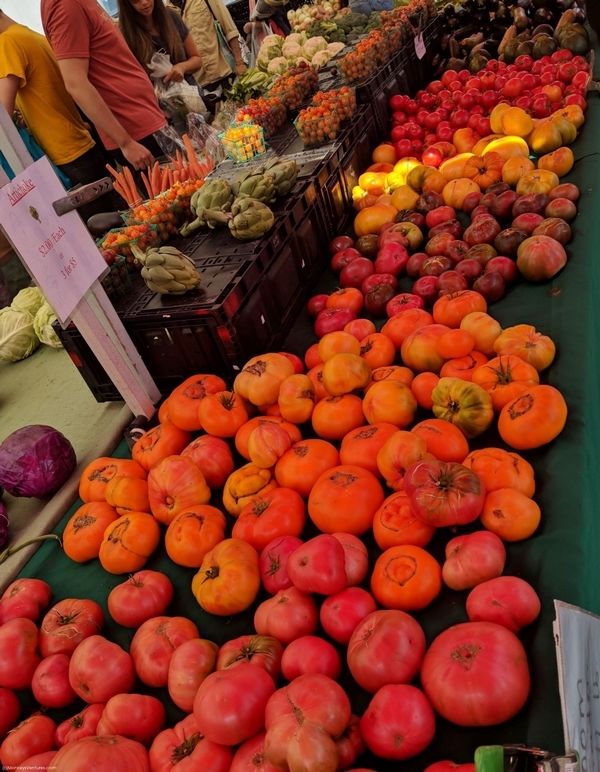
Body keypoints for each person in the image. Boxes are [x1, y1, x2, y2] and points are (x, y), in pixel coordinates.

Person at [41, 0, 168, 170]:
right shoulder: (65, 5)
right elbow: (75, 83)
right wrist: (125, 142)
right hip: (135, 133)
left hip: (144, 120)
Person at [0, 10, 107, 191]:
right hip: (80, 142)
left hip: (65, 154)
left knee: (96, 217)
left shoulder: (7, 43)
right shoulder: (30, 35)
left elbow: (3, 117)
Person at [117, 0, 203, 88]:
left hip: (192, 93)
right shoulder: (126, 37)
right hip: (159, 98)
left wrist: (182, 67)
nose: (144, 2)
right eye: (136, 0)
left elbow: (197, 60)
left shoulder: (171, 17)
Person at [180, 0, 248, 94]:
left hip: (225, 73)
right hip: (199, 85)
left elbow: (229, 28)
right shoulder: (167, 9)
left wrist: (239, 62)